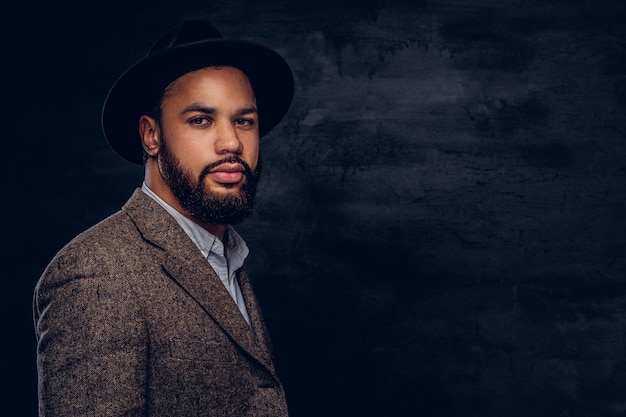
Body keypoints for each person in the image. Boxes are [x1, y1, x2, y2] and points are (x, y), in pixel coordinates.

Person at [33, 19, 294, 417]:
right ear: (151, 136)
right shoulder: (95, 273)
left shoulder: (225, 256)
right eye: (201, 120)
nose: (232, 142)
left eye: (244, 120)